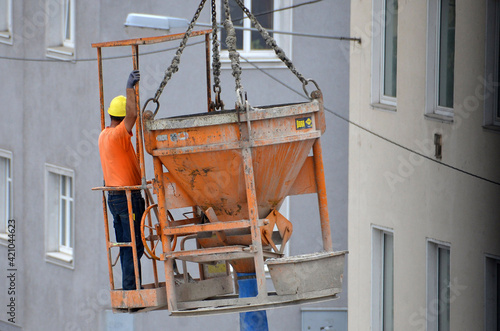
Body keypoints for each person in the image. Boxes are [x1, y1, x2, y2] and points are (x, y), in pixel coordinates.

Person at [98, 70, 144, 290]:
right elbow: (133, 116)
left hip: (115, 198)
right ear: (122, 117)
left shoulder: (103, 135)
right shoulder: (118, 135)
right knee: (135, 245)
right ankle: (131, 290)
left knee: (128, 244)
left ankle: (131, 288)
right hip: (127, 198)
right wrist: (130, 88)